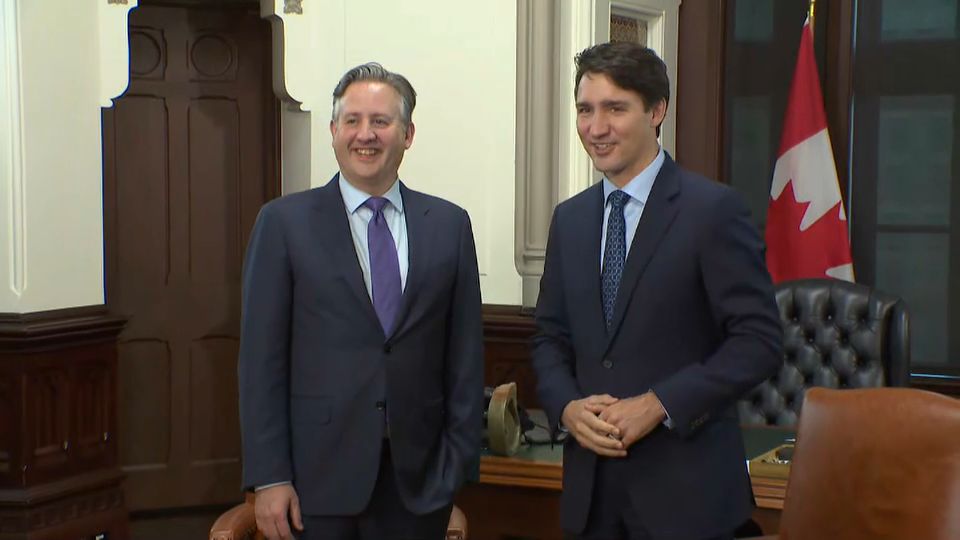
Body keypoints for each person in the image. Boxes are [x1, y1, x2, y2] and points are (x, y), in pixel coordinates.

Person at [531, 42, 784, 540]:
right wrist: (566, 406)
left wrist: (659, 403)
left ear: (657, 110)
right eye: (585, 110)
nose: (596, 128)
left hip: (688, 502)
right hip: (591, 501)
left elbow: (758, 343)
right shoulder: (571, 219)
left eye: (615, 109)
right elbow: (548, 337)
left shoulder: (713, 211)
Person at [237, 62, 484, 540]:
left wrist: (455, 467)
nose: (364, 135)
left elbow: (465, 357)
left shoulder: (449, 226)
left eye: (380, 121)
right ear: (333, 131)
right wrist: (269, 477)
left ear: (408, 133)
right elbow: (260, 363)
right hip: (314, 483)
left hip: (419, 484)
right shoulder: (283, 224)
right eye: (351, 121)